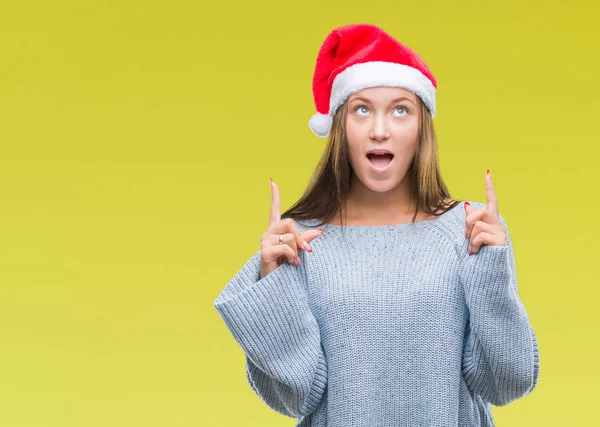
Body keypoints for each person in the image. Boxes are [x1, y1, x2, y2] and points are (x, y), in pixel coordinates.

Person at [213, 23, 540, 427]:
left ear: (422, 128)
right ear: (340, 127)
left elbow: (508, 383)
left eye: (400, 109)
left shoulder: (469, 230)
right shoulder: (300, 241)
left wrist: (491, 270)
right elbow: (294, 397)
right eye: (362, 109)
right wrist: (272, 286)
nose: (379, 129)